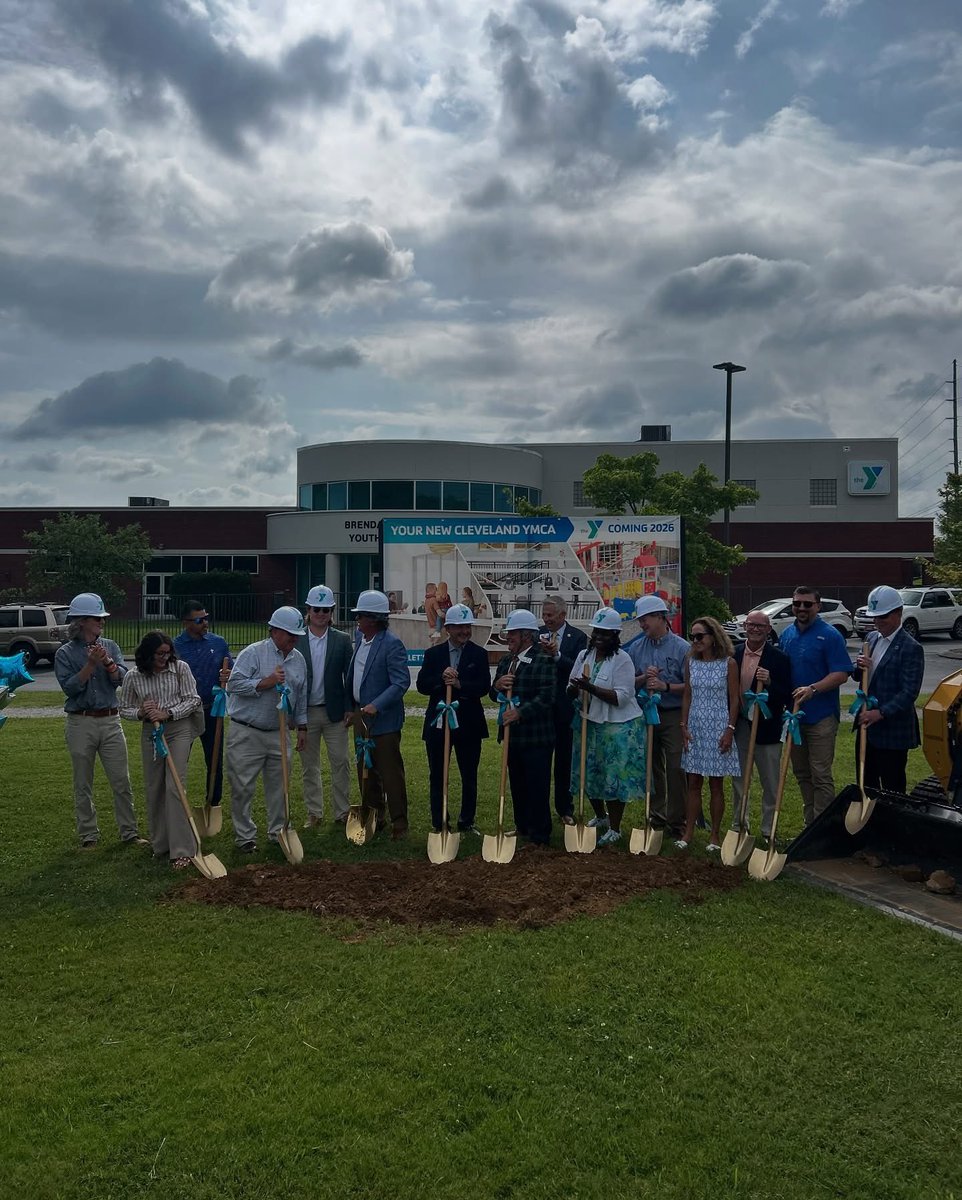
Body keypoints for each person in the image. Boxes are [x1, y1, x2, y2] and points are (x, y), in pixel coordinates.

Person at [54, 592, 148, 850]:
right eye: (97, 618)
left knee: (121, 780)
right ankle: (88, 836)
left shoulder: (112, 646)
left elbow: (123, 679)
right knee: (83, 782)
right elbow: (71, 689)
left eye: (102, 618)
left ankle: (129, 832)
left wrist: (107, 663)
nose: (102, 622)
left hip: (110, 720)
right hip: (80, 722)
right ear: (82, 621)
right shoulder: (65, 653)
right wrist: (89, 665)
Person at [225, 607, 309, 851]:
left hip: (279, 733)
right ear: (274, 631)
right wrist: (266, 682)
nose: (294, 640)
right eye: (290, 635)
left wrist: (302, 726)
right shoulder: (253, 653)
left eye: (296, 636)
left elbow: (300, 695)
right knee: (242, 786)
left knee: (280, 785)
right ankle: (245, 837)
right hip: (247, 731)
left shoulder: (298, 659)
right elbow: (234, 684)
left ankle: (278, 832)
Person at [119, 631, 203, 868]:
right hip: (151, 733)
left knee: (174, 786)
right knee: (154, 787)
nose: (164, 658)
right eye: (159, 653)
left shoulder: (181, 669)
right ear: (147, 653)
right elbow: (123, 708)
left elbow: (193, 699)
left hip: (178, 728)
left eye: (167, 653)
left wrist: (168, 713)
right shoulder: (134, 676)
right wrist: (141, 713)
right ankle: (161, 844)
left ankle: (183, 849)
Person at [567, 608, 646, 846]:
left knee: (613, 777)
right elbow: (570, 687)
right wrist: (574, 689)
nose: (600, 637)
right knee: (590, 772)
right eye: (597, 632)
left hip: (617, 727)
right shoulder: (584, 655)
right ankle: (600, 817)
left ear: (615, 636)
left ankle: (615, 827)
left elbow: (622, 697)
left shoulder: (622, 659)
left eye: (606, 634)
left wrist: (590, 688)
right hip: (588, 721)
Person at [777, 585, 852, 824]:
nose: (801, 608)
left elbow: (841, 673)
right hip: (794, 718)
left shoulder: (830, 635)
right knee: (802, 774)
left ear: (817, 606)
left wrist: (813, 689)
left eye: (807, 604)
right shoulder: (787, 634)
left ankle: (823, 828)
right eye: (797, 603)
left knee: (820, 774)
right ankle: (810, 825)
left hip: (821, 717)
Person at [416, 602, 491, 834]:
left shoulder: (479, 654)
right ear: (448, 628)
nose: (464, 632)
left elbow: (483, 687)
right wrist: (441, 678)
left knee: (469, 775)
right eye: (459, 627)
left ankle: (467, 821)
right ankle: (440, 822)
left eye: (467, 627)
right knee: (438, 774)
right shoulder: (433, 654)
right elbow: (421, 685)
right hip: (439, 724)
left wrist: (460, 684)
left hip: (469, 724)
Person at [347, 589, 411, 839]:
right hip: (361, 718)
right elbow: (354, 677)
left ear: (373, 619)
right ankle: (374, 817)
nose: (357, 620)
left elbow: (400, 682)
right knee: (366, 771)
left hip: (383, 722)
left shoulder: (391, 644)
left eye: (360, 616)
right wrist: (349, 708)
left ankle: (400, 824)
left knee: (390, 773)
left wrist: (377, 704)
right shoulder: (360, 640)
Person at [624, 595, 690, 837]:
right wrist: (643, 679)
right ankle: (657, 816)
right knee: (652, 768)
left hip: (672, 714)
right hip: (645, 713)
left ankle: (677, 821)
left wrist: (666, 687)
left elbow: (691, 686)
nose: (642, 625)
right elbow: (626, 682)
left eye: (646, 620)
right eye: (640, 621)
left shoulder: (682, 648)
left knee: (675, 766)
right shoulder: (636, 648)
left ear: (661, 618)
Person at [490, 608, 557, 847]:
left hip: (536, 736)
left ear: (527, 636)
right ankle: (523, 827)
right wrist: (497, 685)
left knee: (536, 785)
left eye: (513, 634)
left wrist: (520, 712)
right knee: (517, 784)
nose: (508, 638)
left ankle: (540, 834)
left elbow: (547, 696)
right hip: (512, 736)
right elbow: (492, 693)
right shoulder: (507, 660)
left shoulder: (543, 659)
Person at [850, 585, 924, 792]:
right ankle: (869, 822)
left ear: (898, 613)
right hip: (868, 729)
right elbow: (860, 676)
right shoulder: (871, 638)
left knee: (892, 788)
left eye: (883, 616)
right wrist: (859, 667)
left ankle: (891, 824)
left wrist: (881, 713)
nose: (877, 622)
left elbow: (909, 692)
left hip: (893, 732)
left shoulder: (911, 648)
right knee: (866, 784)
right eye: (875, 617)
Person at [679, 616, 741, 851]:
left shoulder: (728, 664)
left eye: (699, 636)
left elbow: (734, 699)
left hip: (718, 726)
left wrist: (730, 729)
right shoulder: (690, 662)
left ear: (713, 637)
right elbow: (687, 695)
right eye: (692, 637)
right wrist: (683, 725)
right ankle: (688, 833)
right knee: (693, 781)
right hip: (695, 726)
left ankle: (714, 836)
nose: (695, 641)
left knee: (716, 783)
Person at [731, 610, 793, 840]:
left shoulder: (779, 658)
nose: (755, 629)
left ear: (768, 630)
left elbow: (787, 695)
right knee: (739, 779)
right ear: (745, 626)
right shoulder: (734, 654)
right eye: (751, 625)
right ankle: (739, 825)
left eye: (760, 626)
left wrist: (769, 683)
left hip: (767, 727)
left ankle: (768, 829)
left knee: (770, 780)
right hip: (741, 726)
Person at [299, 585, 353, 827]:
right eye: (316, 609)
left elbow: (349, 677)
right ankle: (315, 813)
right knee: (309, 766)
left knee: (340, 762)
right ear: (308, 610)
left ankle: (342, 812)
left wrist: (349, 708)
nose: (321, 614)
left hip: (335, 713)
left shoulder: (342, 640)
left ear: (331, 611)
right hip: (306, 713)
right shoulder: (297, 639)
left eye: (325, 609)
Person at [172, 600, 232, 814]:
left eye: (206, 617)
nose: (205, 622)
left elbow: (230, 670)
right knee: (179, 760)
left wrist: (228, 675)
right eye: (199, 619)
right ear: (186, 622)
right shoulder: (175, 647)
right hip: (184, 713)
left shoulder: (218, 642)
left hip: (212, 709)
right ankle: (178, 802)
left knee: (215, 758)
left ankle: (213, 803)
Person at [540, 595, 588, 823]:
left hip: (566, 709)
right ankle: (538, 809)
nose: (546, 619)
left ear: (562, 615)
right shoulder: (536, 635)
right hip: (541, 709)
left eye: (550, 615)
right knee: (540, 763)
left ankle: (565, 809)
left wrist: (557, 656)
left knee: (564, 762)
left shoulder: (578, 638)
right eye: (544, 615)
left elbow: (579, 671)